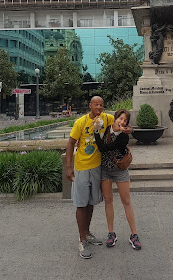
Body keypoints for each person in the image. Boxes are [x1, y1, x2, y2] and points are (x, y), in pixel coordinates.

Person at [66, 96, 132, 259]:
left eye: (101, 105)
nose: (98, 107)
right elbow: (70, 144)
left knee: (90, 203)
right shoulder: (80, 122)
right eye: (95, 104)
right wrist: (68, 167)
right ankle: (81, 240)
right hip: (81, 167)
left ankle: (87, 233)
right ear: (90, 105)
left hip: (97, 167)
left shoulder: (106, 118)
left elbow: (121, 122)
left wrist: (129, 130)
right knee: (81, 204)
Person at [93, 109, 142, 251]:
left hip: (119, 169)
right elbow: (100, 147)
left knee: (126, 201)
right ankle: (111, 233)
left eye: (125, 120)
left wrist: (127, 131)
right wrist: (96, 131)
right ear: (115, 118)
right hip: (105, 169)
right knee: (108, 200)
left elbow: (105, 148)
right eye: (120, 118)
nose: (122, 122)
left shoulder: (124, 137)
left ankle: (134, 234)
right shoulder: (106, 129)